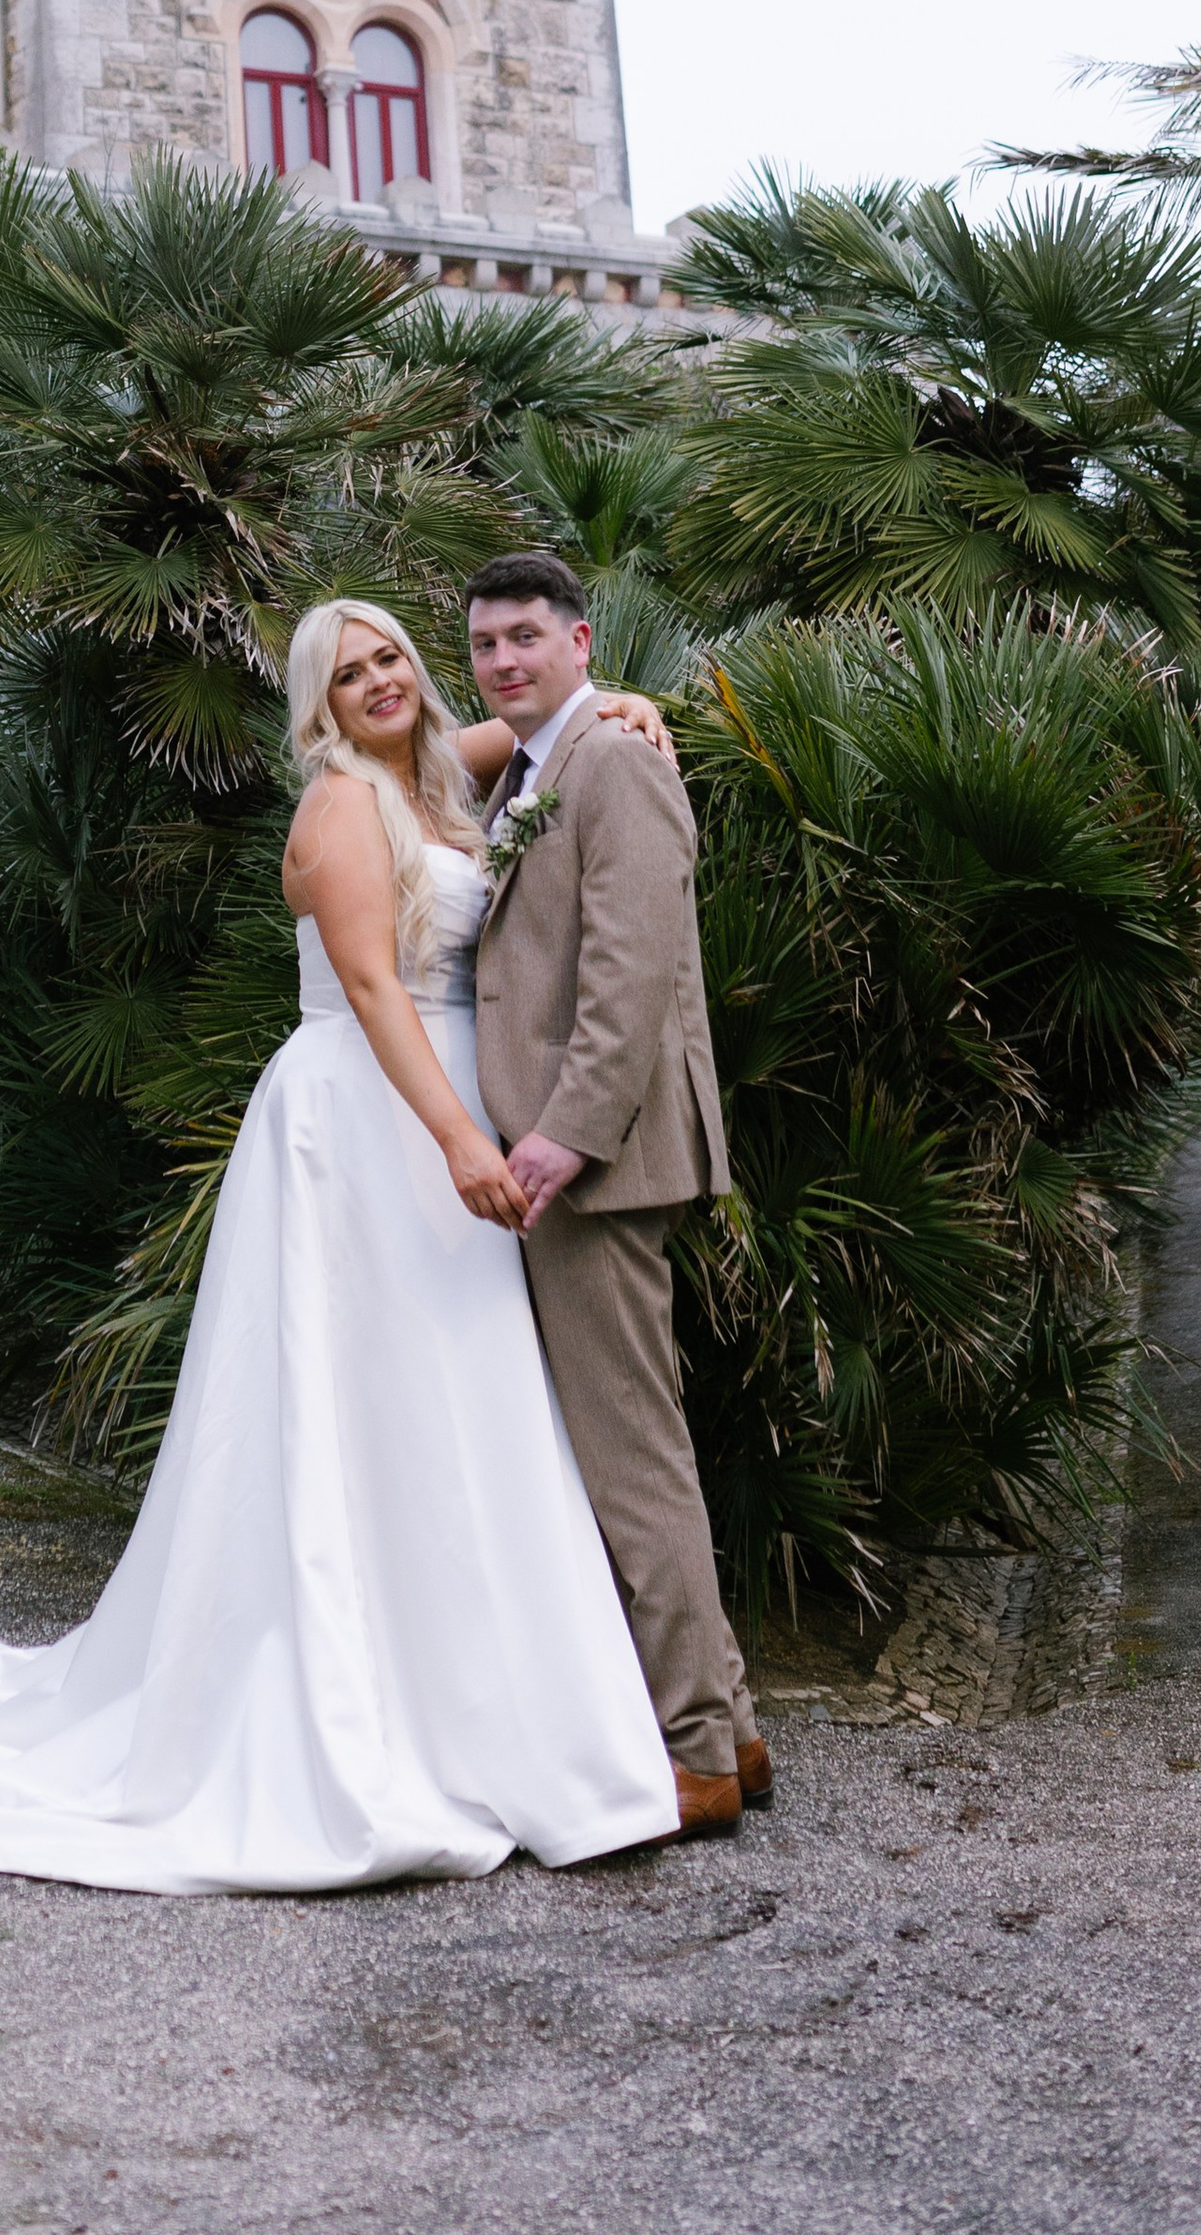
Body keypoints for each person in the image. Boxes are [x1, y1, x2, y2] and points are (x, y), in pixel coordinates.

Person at [0, 603, 686, 1894]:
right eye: (345, 673)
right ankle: (367, 1708)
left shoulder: (430, 774)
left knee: (454, 1409)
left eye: (389, 662)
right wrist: (460, 1145)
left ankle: (486, 1697)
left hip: (450, 1109)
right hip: (375, 1122)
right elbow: (370, 989)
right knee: (354, 1410)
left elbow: (523, 737)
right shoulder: (341, 811)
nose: (376, 683)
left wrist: (620, 707)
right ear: (314, 707)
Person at [464, 547, 767, 1838]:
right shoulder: (543, 765)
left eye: (528, 637)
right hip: (568, 1162)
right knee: (635, 1451)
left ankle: (694, 1750)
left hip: (599, 1165)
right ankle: (734, 1727)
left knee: (633, 1461)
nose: (506, 661)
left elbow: (631, 976)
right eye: (484, 644)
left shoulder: (617, 762)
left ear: (582, 641)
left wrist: (563, 1139)